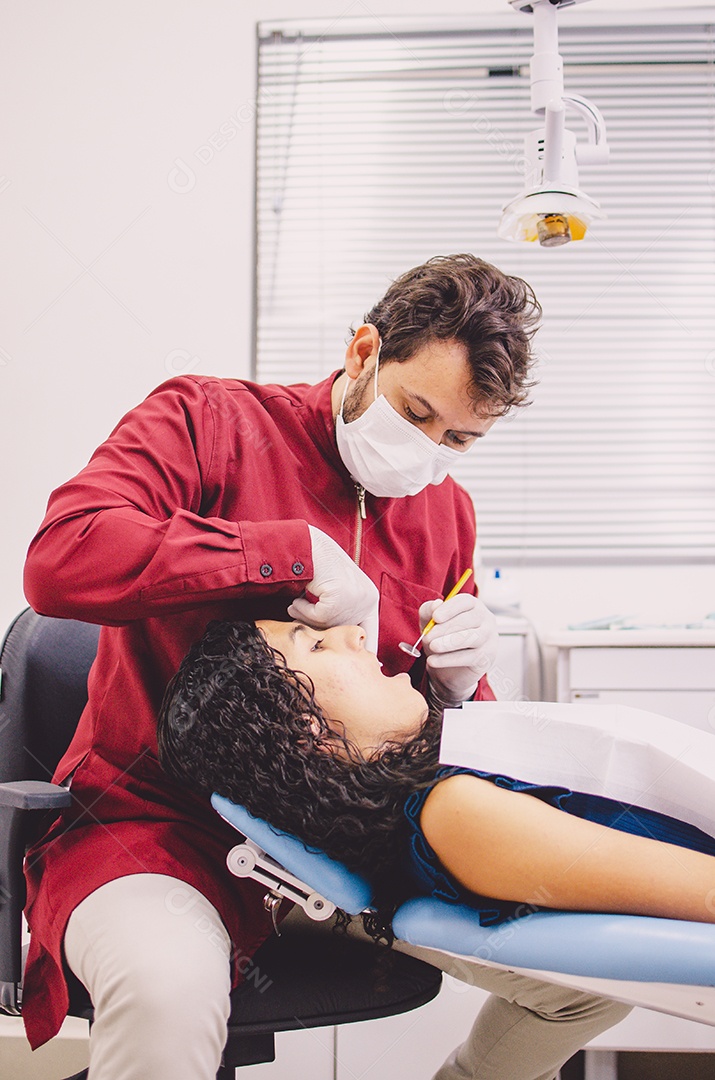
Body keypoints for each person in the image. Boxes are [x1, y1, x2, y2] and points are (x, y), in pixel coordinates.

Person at [21, 253, 630, 1080]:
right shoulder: (209, 421)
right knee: (167, 994)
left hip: (345, 848)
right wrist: (282, 553)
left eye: (458, 439)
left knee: (589, 982)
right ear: (364, 352)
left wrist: (459, 689)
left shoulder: (446, 513)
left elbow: (428, 740)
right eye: (414, 413)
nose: (426, 453)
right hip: (159, 830)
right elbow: (64, 558)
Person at [158, 618, 715, 936]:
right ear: (305, 731)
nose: (356, 632)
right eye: (318, 644)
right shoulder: (456, 815)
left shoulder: (443, 793)